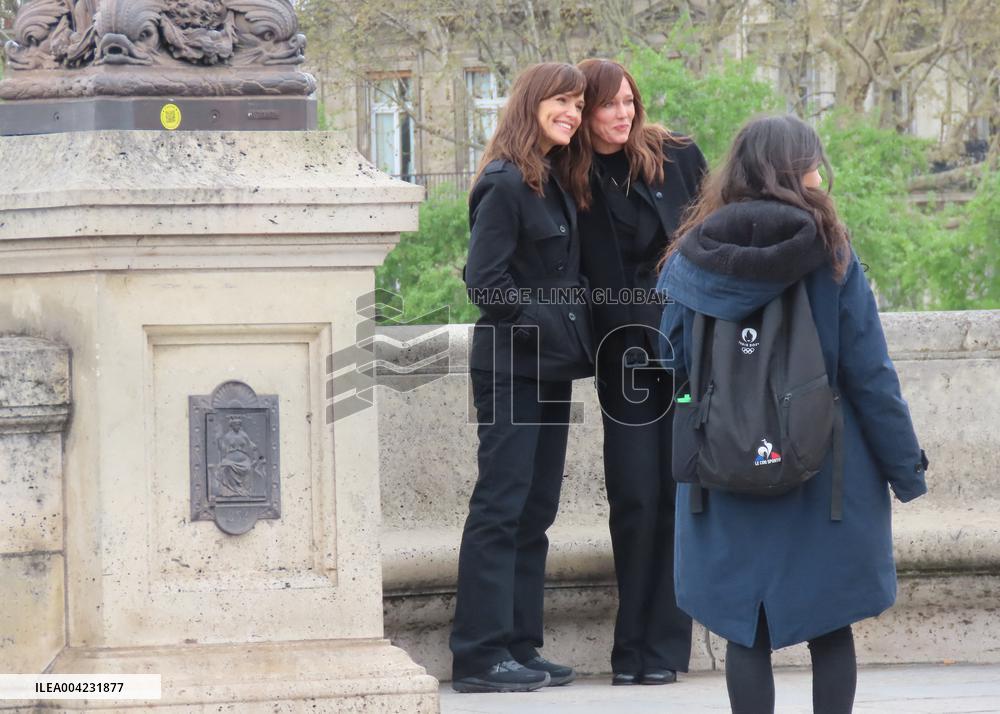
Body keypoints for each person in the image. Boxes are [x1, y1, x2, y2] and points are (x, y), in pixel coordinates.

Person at [657, 114, 929, 714]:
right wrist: (905, 468)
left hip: (723, 467)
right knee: (830, 626)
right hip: (823, 467)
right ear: (796, 172)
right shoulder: (828, 251)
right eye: (812, 164)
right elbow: (869, 373)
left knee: (743, 631)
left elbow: (670, 363)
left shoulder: (692, 254)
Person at [450, 62, 595, 694]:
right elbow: (484, 283)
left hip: (550, 368)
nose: (573, 112)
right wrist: (547, 322)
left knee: (536, 509)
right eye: (563, 100)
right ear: (532, 103)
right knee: (501, 506)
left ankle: (518, 645)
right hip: (511, 367)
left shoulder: (551, 180)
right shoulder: (505, 183)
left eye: (579, 104)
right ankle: (479, 656)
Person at [568, 57, 706, 685]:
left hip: (681, 351)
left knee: (679, 495)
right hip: (621, 356)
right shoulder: (569, 172)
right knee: (634, 496)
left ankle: (667, 649)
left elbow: (711, 237)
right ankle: (631, 649)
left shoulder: (677, 155)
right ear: (586, 110)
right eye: (608, 105)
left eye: (629, 102)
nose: (622, 114)